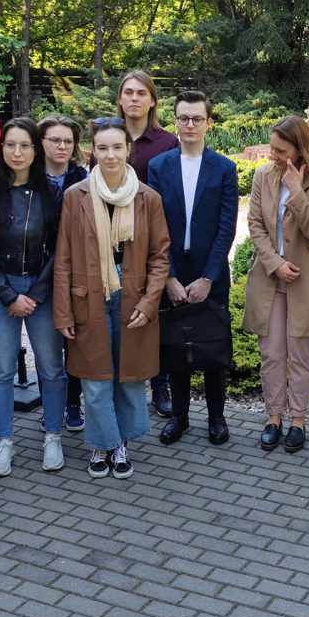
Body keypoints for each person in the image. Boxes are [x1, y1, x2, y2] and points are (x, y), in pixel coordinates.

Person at [54, 118, 170, 480]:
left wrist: (150, 302)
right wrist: (63, 313)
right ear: (92, 151)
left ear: (128, 150)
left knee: (130, 374)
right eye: (102, 148)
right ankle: (102, 444)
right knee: (95, 374)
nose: (110, 155)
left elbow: (159, 257)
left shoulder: (148, 198)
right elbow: (64, 257)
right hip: (87, 292)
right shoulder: (76, 196)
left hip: (132, 291)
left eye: (117, 147)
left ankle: (121, 442)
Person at [0, 118, 67, 477]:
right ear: (1, 149)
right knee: (0, 371)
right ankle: (4, 441)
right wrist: (10, 294)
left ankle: (53, 435)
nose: (17, 152)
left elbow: (61, 247)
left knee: (52, 368)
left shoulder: (53, 191)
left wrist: (36, 293)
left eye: (25, 145)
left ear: (36, 149)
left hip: (42, 287)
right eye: (10, 145)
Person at [243, 115, 309, 452]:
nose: (272, 154)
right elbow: (254, 224)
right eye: (271, 147)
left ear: (300, 149)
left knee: (300, 355)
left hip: (306, 281)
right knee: (271, 354)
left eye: (280, 150)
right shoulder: (262, 176)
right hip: (270, 277)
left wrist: (297, 191)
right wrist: (274, 262)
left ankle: (298, 420)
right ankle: (273, 418)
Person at [148, 91, 239, 446]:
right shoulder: (159, 166)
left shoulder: (224, 168)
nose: (189, 125)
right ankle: (180, 417)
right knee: (176, 347)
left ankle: (216, 418)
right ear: (174, 120)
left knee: (213, 347)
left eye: (197, 119)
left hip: (210, 271)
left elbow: (226, 227)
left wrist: (208, 277)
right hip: (173, 271)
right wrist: (168, 276)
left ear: (208, 123)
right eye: (183, 118)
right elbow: (155, 226)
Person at [104, 70, 179, 417]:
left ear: (152, 100)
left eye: (141, 93)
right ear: (120, 99)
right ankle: (117, 382)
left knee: (154, 315)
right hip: (111, 245)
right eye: (128, 92)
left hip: (150, 242)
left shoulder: (167, 143)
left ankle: (159, 385)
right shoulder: (107, 138)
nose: (134, 98)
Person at [38, 113, 90, 434]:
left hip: (75, 275)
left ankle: (73, 403)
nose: (62, 146)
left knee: (75, 346)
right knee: (47, 350)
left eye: (68, 141)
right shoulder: (28, 179)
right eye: (55, 140)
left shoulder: (84, 179)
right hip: (40, 276)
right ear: (41, 142)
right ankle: (50, 408)